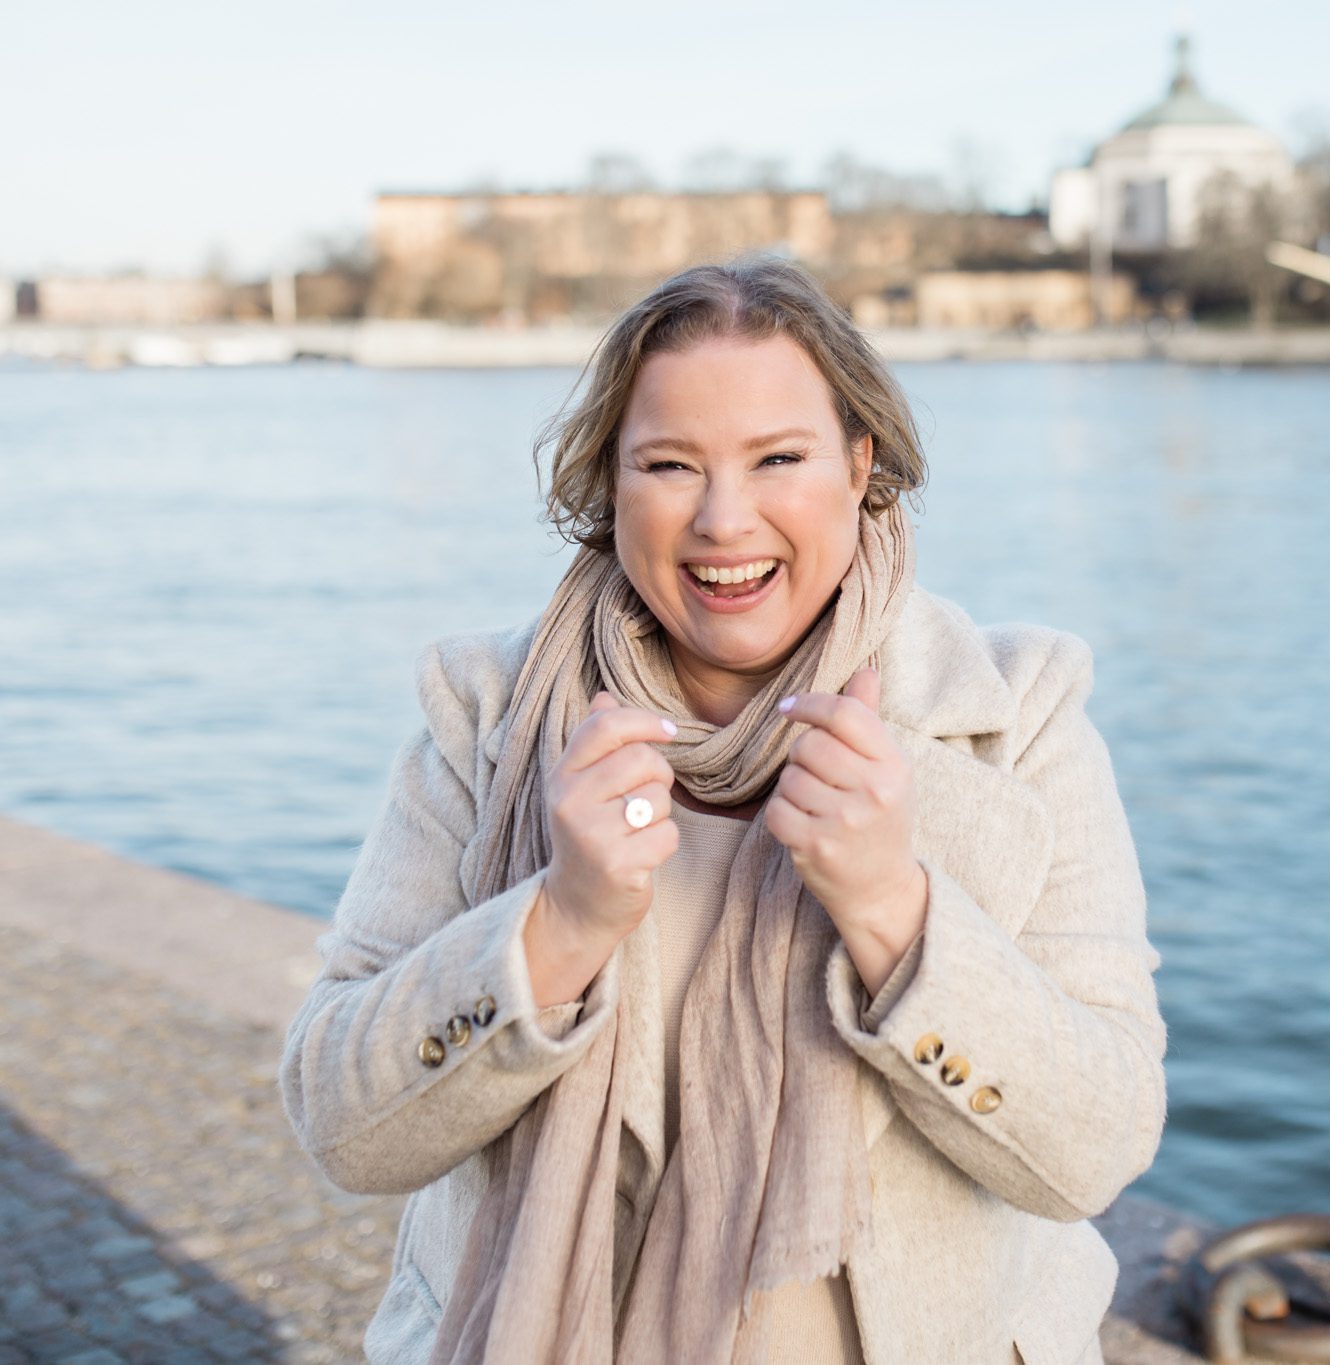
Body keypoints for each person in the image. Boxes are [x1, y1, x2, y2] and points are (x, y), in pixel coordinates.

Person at [278, 255, 1167, 1365]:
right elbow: (341, 1126)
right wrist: (560, 924)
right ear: (610, 484)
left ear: (861, 464)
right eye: (669, 464)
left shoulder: (1017, 711)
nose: (722, 520)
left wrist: (891, 910)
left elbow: (1095, 1146)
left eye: (778, 459)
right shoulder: (486, 715)